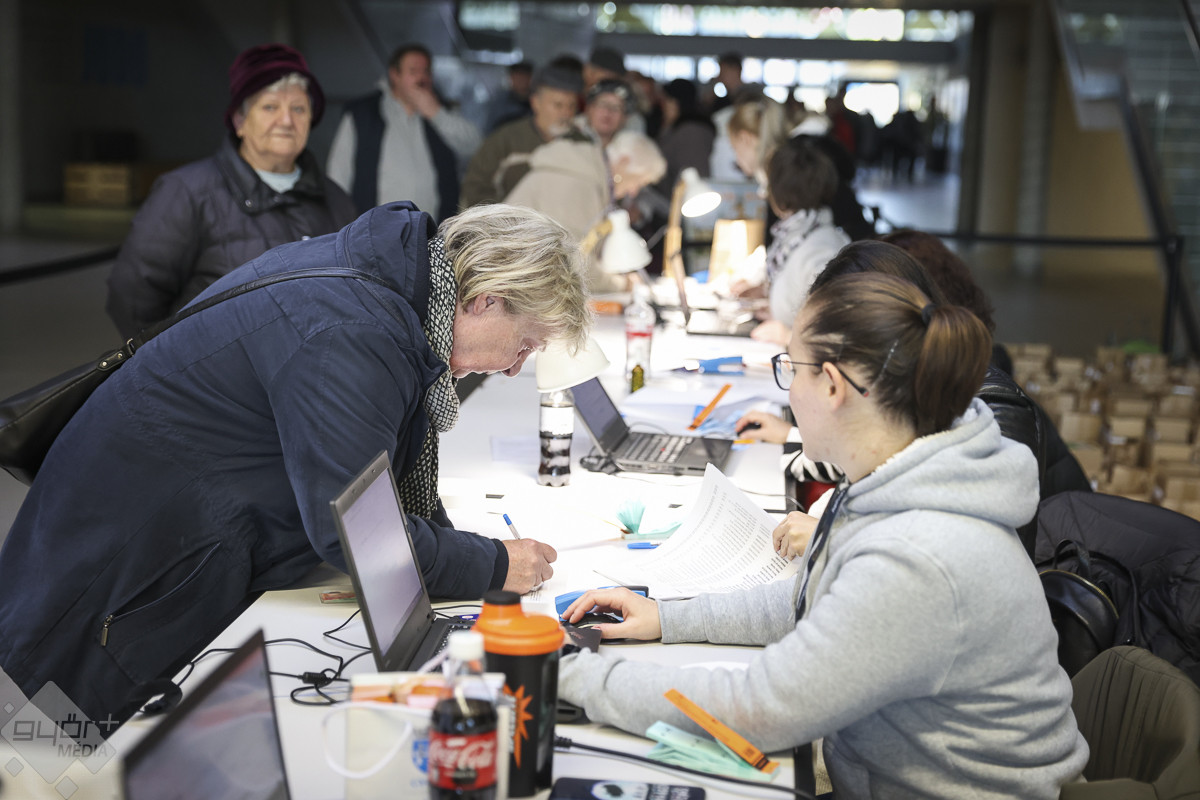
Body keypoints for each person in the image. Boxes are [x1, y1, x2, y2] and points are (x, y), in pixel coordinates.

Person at [0, 202, 589, 735]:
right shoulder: (353, 331)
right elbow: (354, 527)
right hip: (111, 580)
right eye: (524, 344)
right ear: (486, 299)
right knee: (59, 757)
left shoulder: (394, 290)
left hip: (159, 539)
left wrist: (460, 553)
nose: (515, 369)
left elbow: (372, 471)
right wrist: (492, 563)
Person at [561, 265, 1089, 798]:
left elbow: (761, 708)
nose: (787, 389)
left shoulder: (919, 555)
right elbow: (813, 600)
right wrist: (668, 617)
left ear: (832, 385)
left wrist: (568, 675)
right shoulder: (907, 477)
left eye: (790, 368)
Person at [738, 237, 1093, 559]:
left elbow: (957, 546)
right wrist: (790, 437)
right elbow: (877, 451)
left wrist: (830, 537)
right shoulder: (921, 384)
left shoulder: (992, 408)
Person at [105, 43, 356, 341]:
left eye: (298, 108)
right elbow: (133, 294)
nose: (287, 121)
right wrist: (177, 361)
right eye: (270, 107)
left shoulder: (335, 199)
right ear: (239, 121)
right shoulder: (187, 191)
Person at [326, 43, 482, 221]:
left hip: (432, 227)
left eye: (426, 71)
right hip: (375, 229)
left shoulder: (441, 110)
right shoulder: (363, 113)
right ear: (395, 75)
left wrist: (436, 114)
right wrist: (340, 223)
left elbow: (475, 148)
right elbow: (338, 174)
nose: (421, 78)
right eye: (413, 71)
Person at [504, 130, 665, 292]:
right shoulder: (580, 184)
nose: (633, 192)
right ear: (624, 161)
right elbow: (570, 261)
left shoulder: (587, 175)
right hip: (511, 282)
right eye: (638, 182)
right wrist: (621, 284)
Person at [736, 137, 849, 345]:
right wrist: (774, 307)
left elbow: (834, 329)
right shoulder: (796, 237)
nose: (764, 193)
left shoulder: (820, 249)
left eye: (767, 185)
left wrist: (787, 335)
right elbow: (801, 301)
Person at [459, 64, 583, 209]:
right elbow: (476, 187)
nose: (566, 113)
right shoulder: (506, 140)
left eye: (571, 106)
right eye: (558, 105)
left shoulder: (582, 144)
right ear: (535, 103)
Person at [654, 78, 715, 191]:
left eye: (667, 101)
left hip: (685, 197)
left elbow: (695, 175)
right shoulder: (678, 128)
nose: (663, 107)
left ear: (677, 103)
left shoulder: (692, 132)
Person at [483, 61, 534, 134]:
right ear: (511, 77)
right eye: (517, 76)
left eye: (523, 76)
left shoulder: (538, 100)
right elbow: (490, 128)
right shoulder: (499, 102)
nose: (520, 80)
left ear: (530, 78)